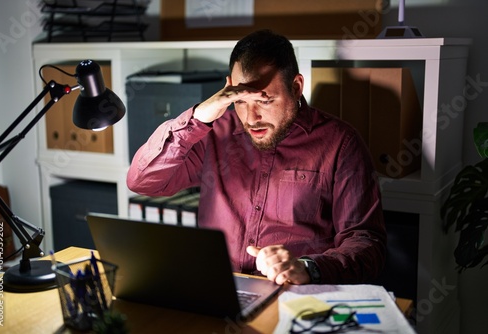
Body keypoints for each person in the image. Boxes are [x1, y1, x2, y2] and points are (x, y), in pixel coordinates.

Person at [127, 29, 386, 285]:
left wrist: (310, 268)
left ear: (296, 87)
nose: (251, 119)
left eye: (264, 101)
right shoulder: (214, 133)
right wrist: (199, 117)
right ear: (228, 89)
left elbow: (366, 244)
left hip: (294, 295)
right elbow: (143, 181)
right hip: (219, 289)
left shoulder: (341, 143)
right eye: (241, 101)